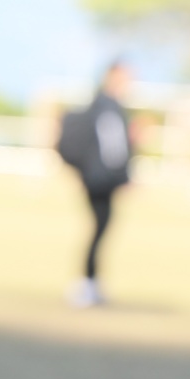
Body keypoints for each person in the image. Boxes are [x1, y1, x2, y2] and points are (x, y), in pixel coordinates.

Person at [56, 59, 134, 307]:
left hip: (96, 178)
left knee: (101, 228)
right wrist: (124, 176)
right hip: (101, 180)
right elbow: (113, 148)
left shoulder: (100, 105)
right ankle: (87, 283)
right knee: (99, 228)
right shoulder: (108, 108)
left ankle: (92, 282)